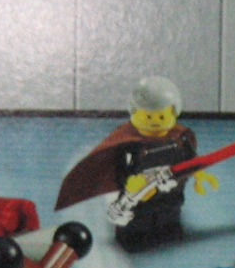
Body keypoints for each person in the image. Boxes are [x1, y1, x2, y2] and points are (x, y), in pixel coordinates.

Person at [54, 77, 218, 252]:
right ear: (134, 111)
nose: (155, 121)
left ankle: (168, 231)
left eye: (162, 116)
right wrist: (130, 183)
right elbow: (120, 170)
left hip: (171, 196)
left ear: (174, 112)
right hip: (140, 199)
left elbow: (191, 161)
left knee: (169, 218)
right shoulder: (129, 143)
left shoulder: (179, 138)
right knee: (139, 223)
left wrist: (200, 174)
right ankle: (135, 236)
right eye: (148, 116)